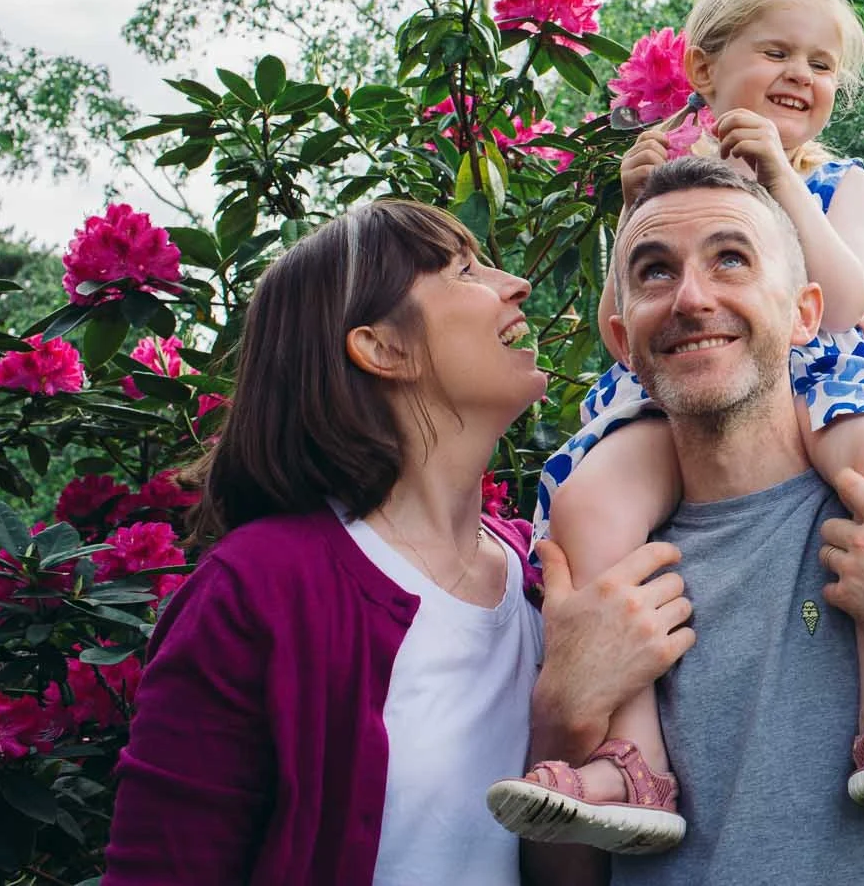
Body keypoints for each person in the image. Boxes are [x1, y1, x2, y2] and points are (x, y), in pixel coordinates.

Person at [491, 0, 864, 852]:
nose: (800, 74)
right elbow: (631, 321)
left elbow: (841, 302)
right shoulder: (668, 175)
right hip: (678, 392)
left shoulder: (838, 179)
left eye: (821, 64)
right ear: (704, 68)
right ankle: (632, 760)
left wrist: (778, 178)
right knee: (588, 504)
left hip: (817, 375)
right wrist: (637, 209)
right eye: (777, 51)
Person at [504, 157, 864, 886]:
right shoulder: (597, 554)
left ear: (806, 313)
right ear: (623, 340)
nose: (691, 297)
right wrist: (561, 711)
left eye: (731, 259)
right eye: (655, 270)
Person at [101, 199, 696, 885]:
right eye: (464, 270)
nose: (517, 284)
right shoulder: (257, 590)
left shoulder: (541, 573)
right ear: (382, 347)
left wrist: (564, 719)